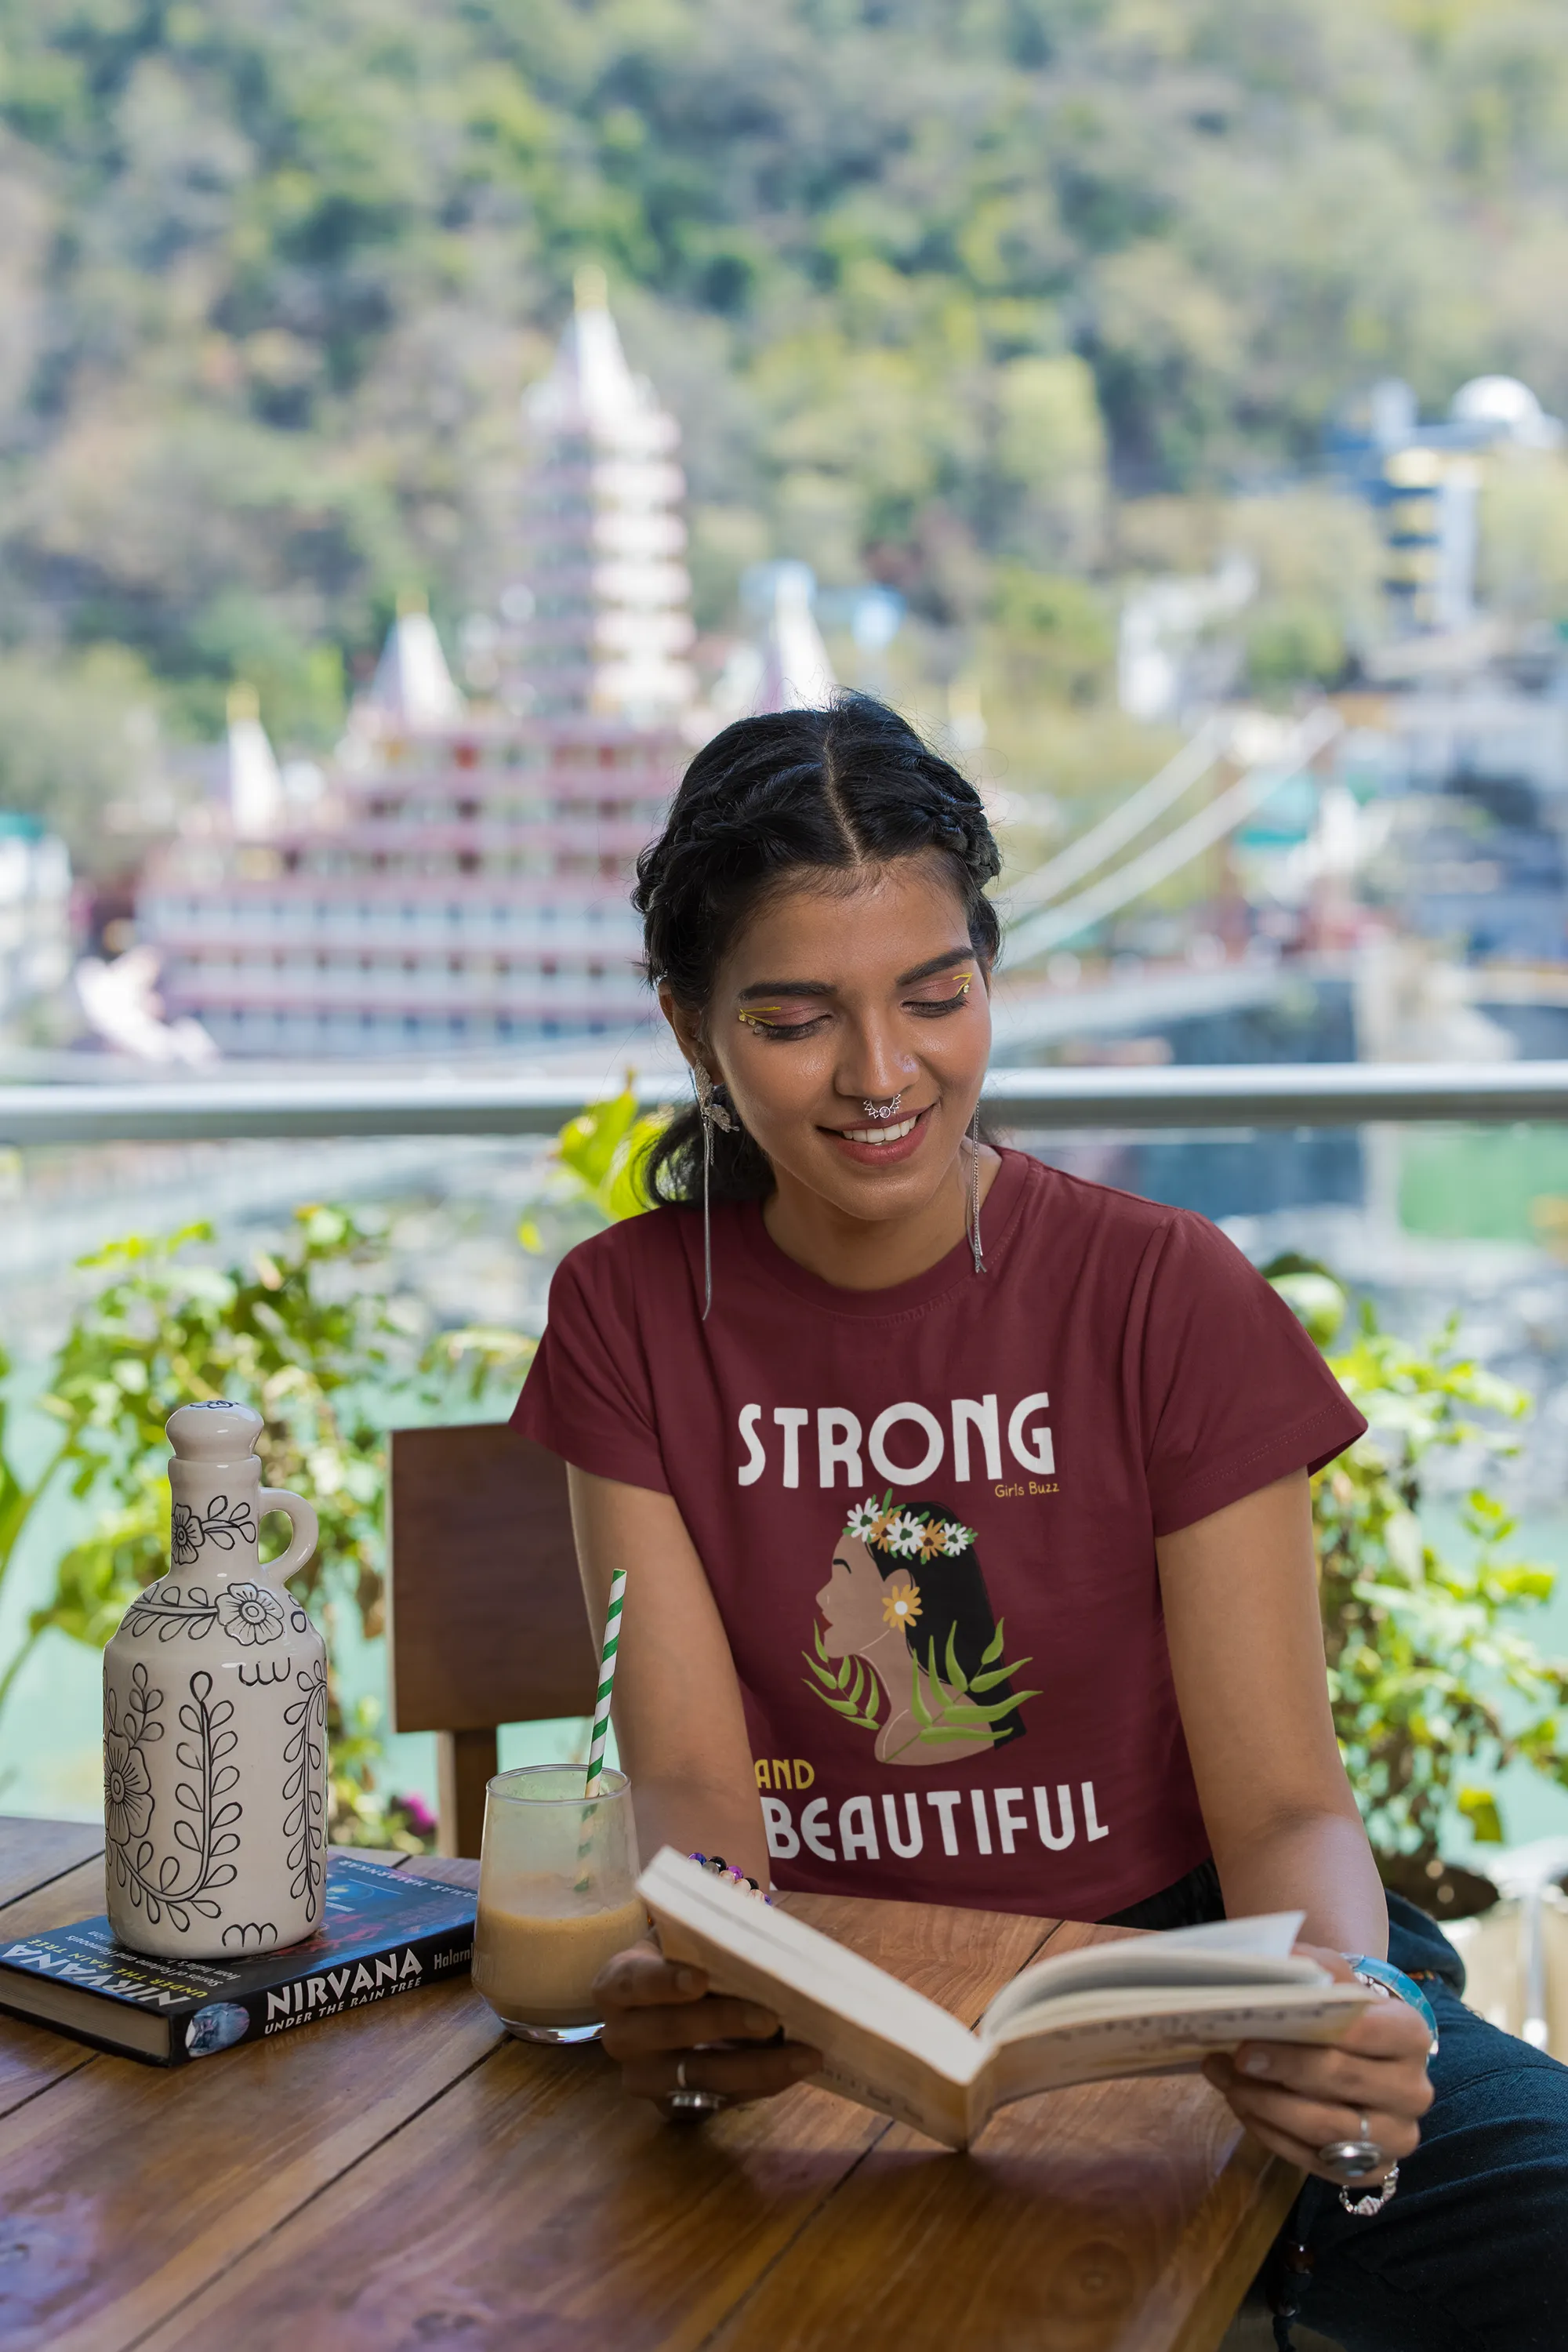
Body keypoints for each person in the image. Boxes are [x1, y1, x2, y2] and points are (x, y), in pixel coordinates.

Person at [513, 695, 1568, 2352]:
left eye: (935, 998)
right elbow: (700, 1807)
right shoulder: (628, 1315)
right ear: (689, 1025)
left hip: (1191, 1968)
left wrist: (1345, 2007)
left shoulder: (1164, 1292)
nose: (883, 1076)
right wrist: (705, 1984)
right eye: (796, 1021)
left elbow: (1287, 1807)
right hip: (828, 2000)